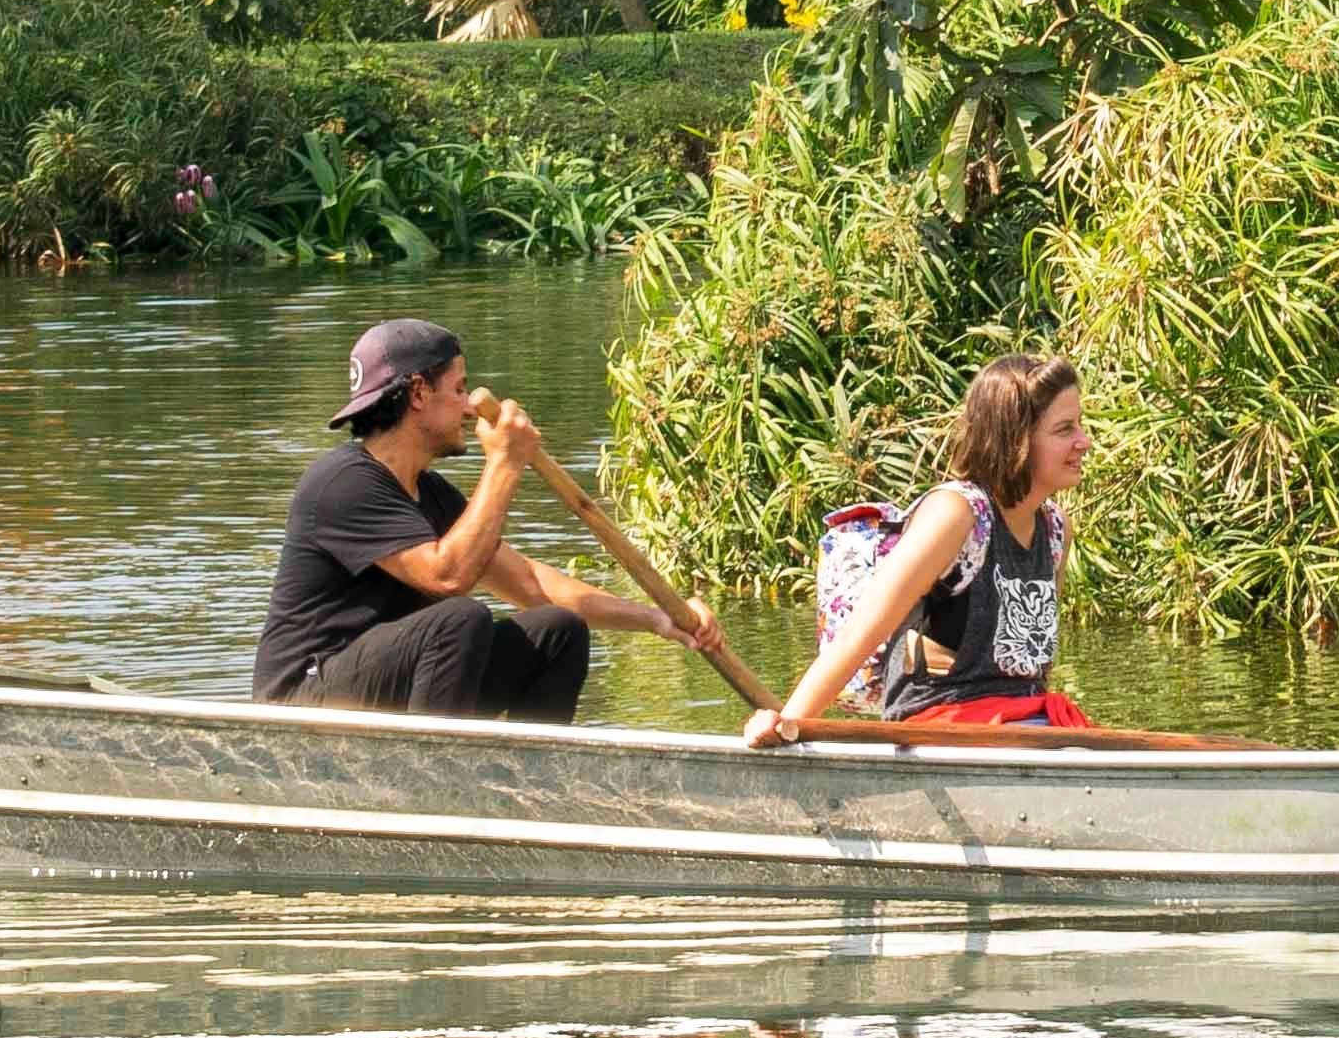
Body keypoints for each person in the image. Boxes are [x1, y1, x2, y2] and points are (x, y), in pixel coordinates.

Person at [253, 317, 720, 720]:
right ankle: (433, 784)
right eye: (458, 389)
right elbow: (446, 577)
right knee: (458, 619)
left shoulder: (430, 493)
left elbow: (533, 585)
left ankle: (526, 787)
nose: (471, 406)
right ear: (418, 393)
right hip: (301, 701)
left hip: (383, 689)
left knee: (557, 630)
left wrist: (657, 619)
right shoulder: (342, 483)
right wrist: (505, 463)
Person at [752, 353, 1091, 742]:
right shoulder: (957, 514)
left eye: (1079, 425)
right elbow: (857, 636)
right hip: (940, 722)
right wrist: (785, 723)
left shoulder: (1055, 530)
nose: (1083, 441)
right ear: (1014, 438)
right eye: (1065, 429)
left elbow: (1033, 669)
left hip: (1028, 723)